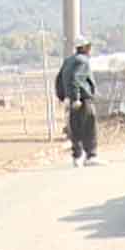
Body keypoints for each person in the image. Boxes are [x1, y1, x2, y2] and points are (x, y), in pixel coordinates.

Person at [54, 38, 100, 167]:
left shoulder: (68, 61)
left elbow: (59, 80)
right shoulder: (83, 61)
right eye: (88, 46)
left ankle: (77, 156)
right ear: (84, 48)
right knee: (89, 127)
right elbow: (76, 79)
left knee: (75, 128)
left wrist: (64, 97)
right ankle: (91, 155)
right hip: (83, 99)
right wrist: (77, 98)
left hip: (71, 99)